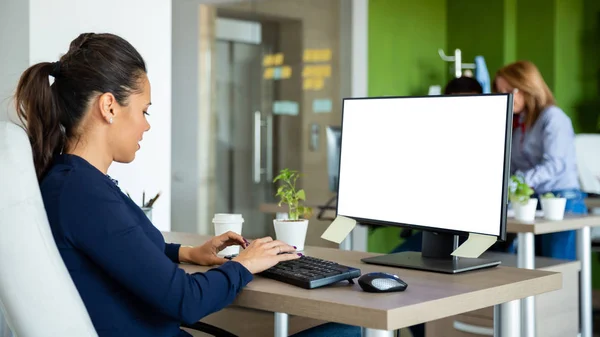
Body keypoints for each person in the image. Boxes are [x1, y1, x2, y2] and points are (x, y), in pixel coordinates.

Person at [15, 32, 360, 337]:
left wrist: (187, 253)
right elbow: (185, 300)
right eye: (144, 111)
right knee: (352, 331)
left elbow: (120, 250)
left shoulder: (71, 181)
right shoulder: (83, 194)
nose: (146, 127)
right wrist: (244, 264)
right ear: (109, 106)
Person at [493, 60, 587, 260]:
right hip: (531, 202)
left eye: (510, 90)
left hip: (562, 200)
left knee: (558, 267)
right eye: (501, 91)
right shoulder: (517, 123)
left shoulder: (553, 118)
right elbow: (512, 165)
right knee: (532, 265)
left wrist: (515, 184)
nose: (506, 97)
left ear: (527, 86)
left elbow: (555, 164)